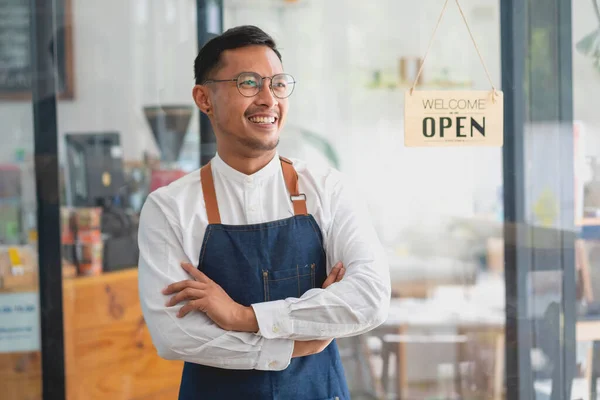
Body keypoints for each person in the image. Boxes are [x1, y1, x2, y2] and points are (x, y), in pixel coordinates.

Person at [137, 25, 391, 400]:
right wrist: (295, 342)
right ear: (204, 98)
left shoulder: (328, 189)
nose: (268, 99)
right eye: (248, 83)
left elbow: (369, 299)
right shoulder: (170, 208)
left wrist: (242, 317)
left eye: (277, 84)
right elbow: (175, 336)